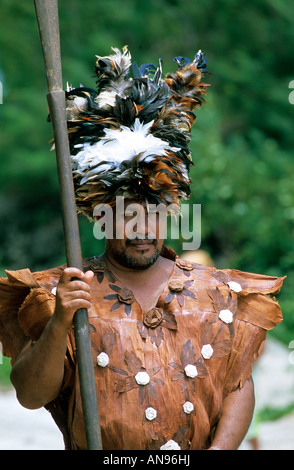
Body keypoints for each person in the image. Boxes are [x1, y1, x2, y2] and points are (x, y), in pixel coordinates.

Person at [0, 47, 284, 450]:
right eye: (124, 215)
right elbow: (30, 395)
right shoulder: (65, 293)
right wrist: (61, 320)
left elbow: (237, 383)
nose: (140, 229)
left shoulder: (214, 291)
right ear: (100, 217)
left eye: (151, 212)